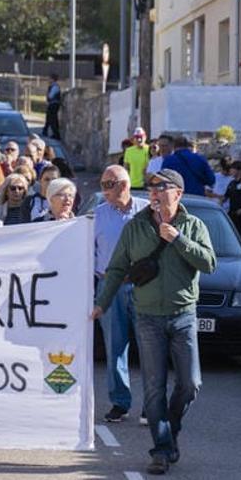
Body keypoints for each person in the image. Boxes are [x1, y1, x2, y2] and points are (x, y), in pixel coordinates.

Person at [92, 169, 216, 475]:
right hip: (148, 316)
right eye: (152, 188)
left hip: (183, 315)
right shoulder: (135, 227)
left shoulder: (193, 225)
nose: (155, 193)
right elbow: (117, 268)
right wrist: (101, 303)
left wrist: (179, 240)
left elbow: (209, 263)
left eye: (162, 188)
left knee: (190, 384)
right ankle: (161, 449)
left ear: (178, 193)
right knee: (153, 387)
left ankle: (169, 430)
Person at [92, 166, 150, 425]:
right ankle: (120, 402)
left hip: (143, 285)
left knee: (150, 346)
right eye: (102, 184)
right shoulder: (97, 215)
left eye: (109, 184)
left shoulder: (147, 211)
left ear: (124, 185)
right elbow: (88, 251)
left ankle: (151, 403)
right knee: (114, 346)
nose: (104, 190)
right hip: (109, 285)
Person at [43, 73, 62, 139]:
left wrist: (48, 97)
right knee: (49, 118)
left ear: (52, 79)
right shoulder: (52, 86)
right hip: (51, 104)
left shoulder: (55, 87)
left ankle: (56, 134)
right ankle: (45, 131)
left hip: (54, 105)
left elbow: (50, 96)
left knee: (53, 119)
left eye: (49, 78)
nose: (48, 80)